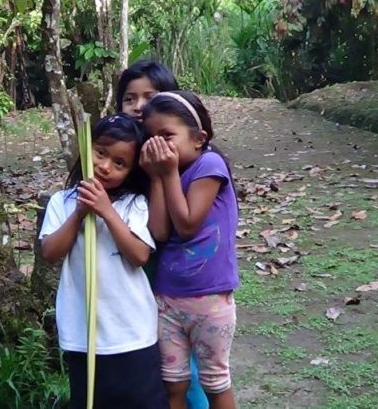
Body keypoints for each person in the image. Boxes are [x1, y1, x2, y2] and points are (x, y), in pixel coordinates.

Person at [39, 113, 168, 409]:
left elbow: (138, 256)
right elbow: (50, 253)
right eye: (101, 153)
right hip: (82, 334)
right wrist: (81, 213)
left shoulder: (134, 203)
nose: (105, 166)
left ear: (130, 171)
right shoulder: (62, 201)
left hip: (132, 332)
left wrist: (107, 211)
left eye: (119, 163)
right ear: (87, 148)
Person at [116, 59, 210, 409]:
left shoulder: (188, 159)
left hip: (173, 275)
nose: (139, 106)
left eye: (149, 96)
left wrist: (158, 173)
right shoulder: (115, 153)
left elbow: (161, 231)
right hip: (128, 276)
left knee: (186, 367)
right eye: (129, 98)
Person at [141, 91, 239, 409]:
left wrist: (166, 173)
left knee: (215, 383)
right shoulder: (168, 173)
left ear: (198, 138)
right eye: (151, 137)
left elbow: (186, 225)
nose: (158, 145)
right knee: (174, 384)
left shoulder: (209, 164)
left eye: (167, 136)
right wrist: (158, 176)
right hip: (168, 299)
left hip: (210, 299)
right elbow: (159, 231)